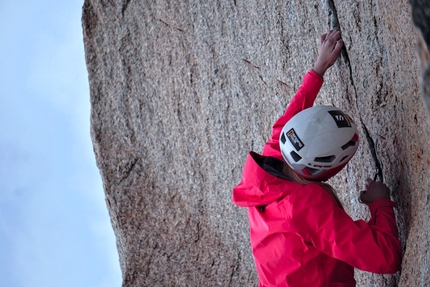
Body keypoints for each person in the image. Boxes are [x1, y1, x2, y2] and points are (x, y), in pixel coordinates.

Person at [232, 29, 401, 287]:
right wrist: (380, 203)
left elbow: (290, 123)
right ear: (328, 168)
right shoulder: (306, 206)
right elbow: (385, 257)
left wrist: (318, 71)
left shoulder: (266, 173)